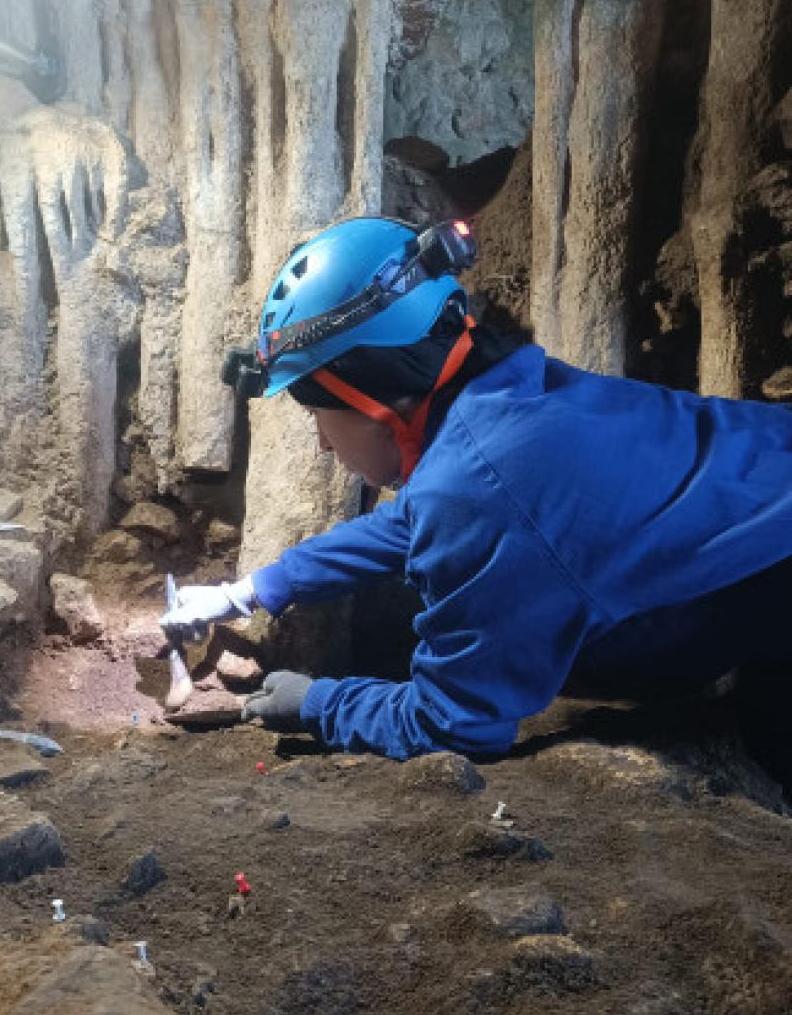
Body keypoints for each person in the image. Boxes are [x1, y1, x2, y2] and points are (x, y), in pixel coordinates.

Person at [161, 216, 792, 787]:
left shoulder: (483, 485)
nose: (325, 447)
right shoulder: (507, 400)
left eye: (322, 419)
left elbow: (452, 722)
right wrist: (250, 590)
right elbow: (412, 525)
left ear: (376, 401)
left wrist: (320, 704)